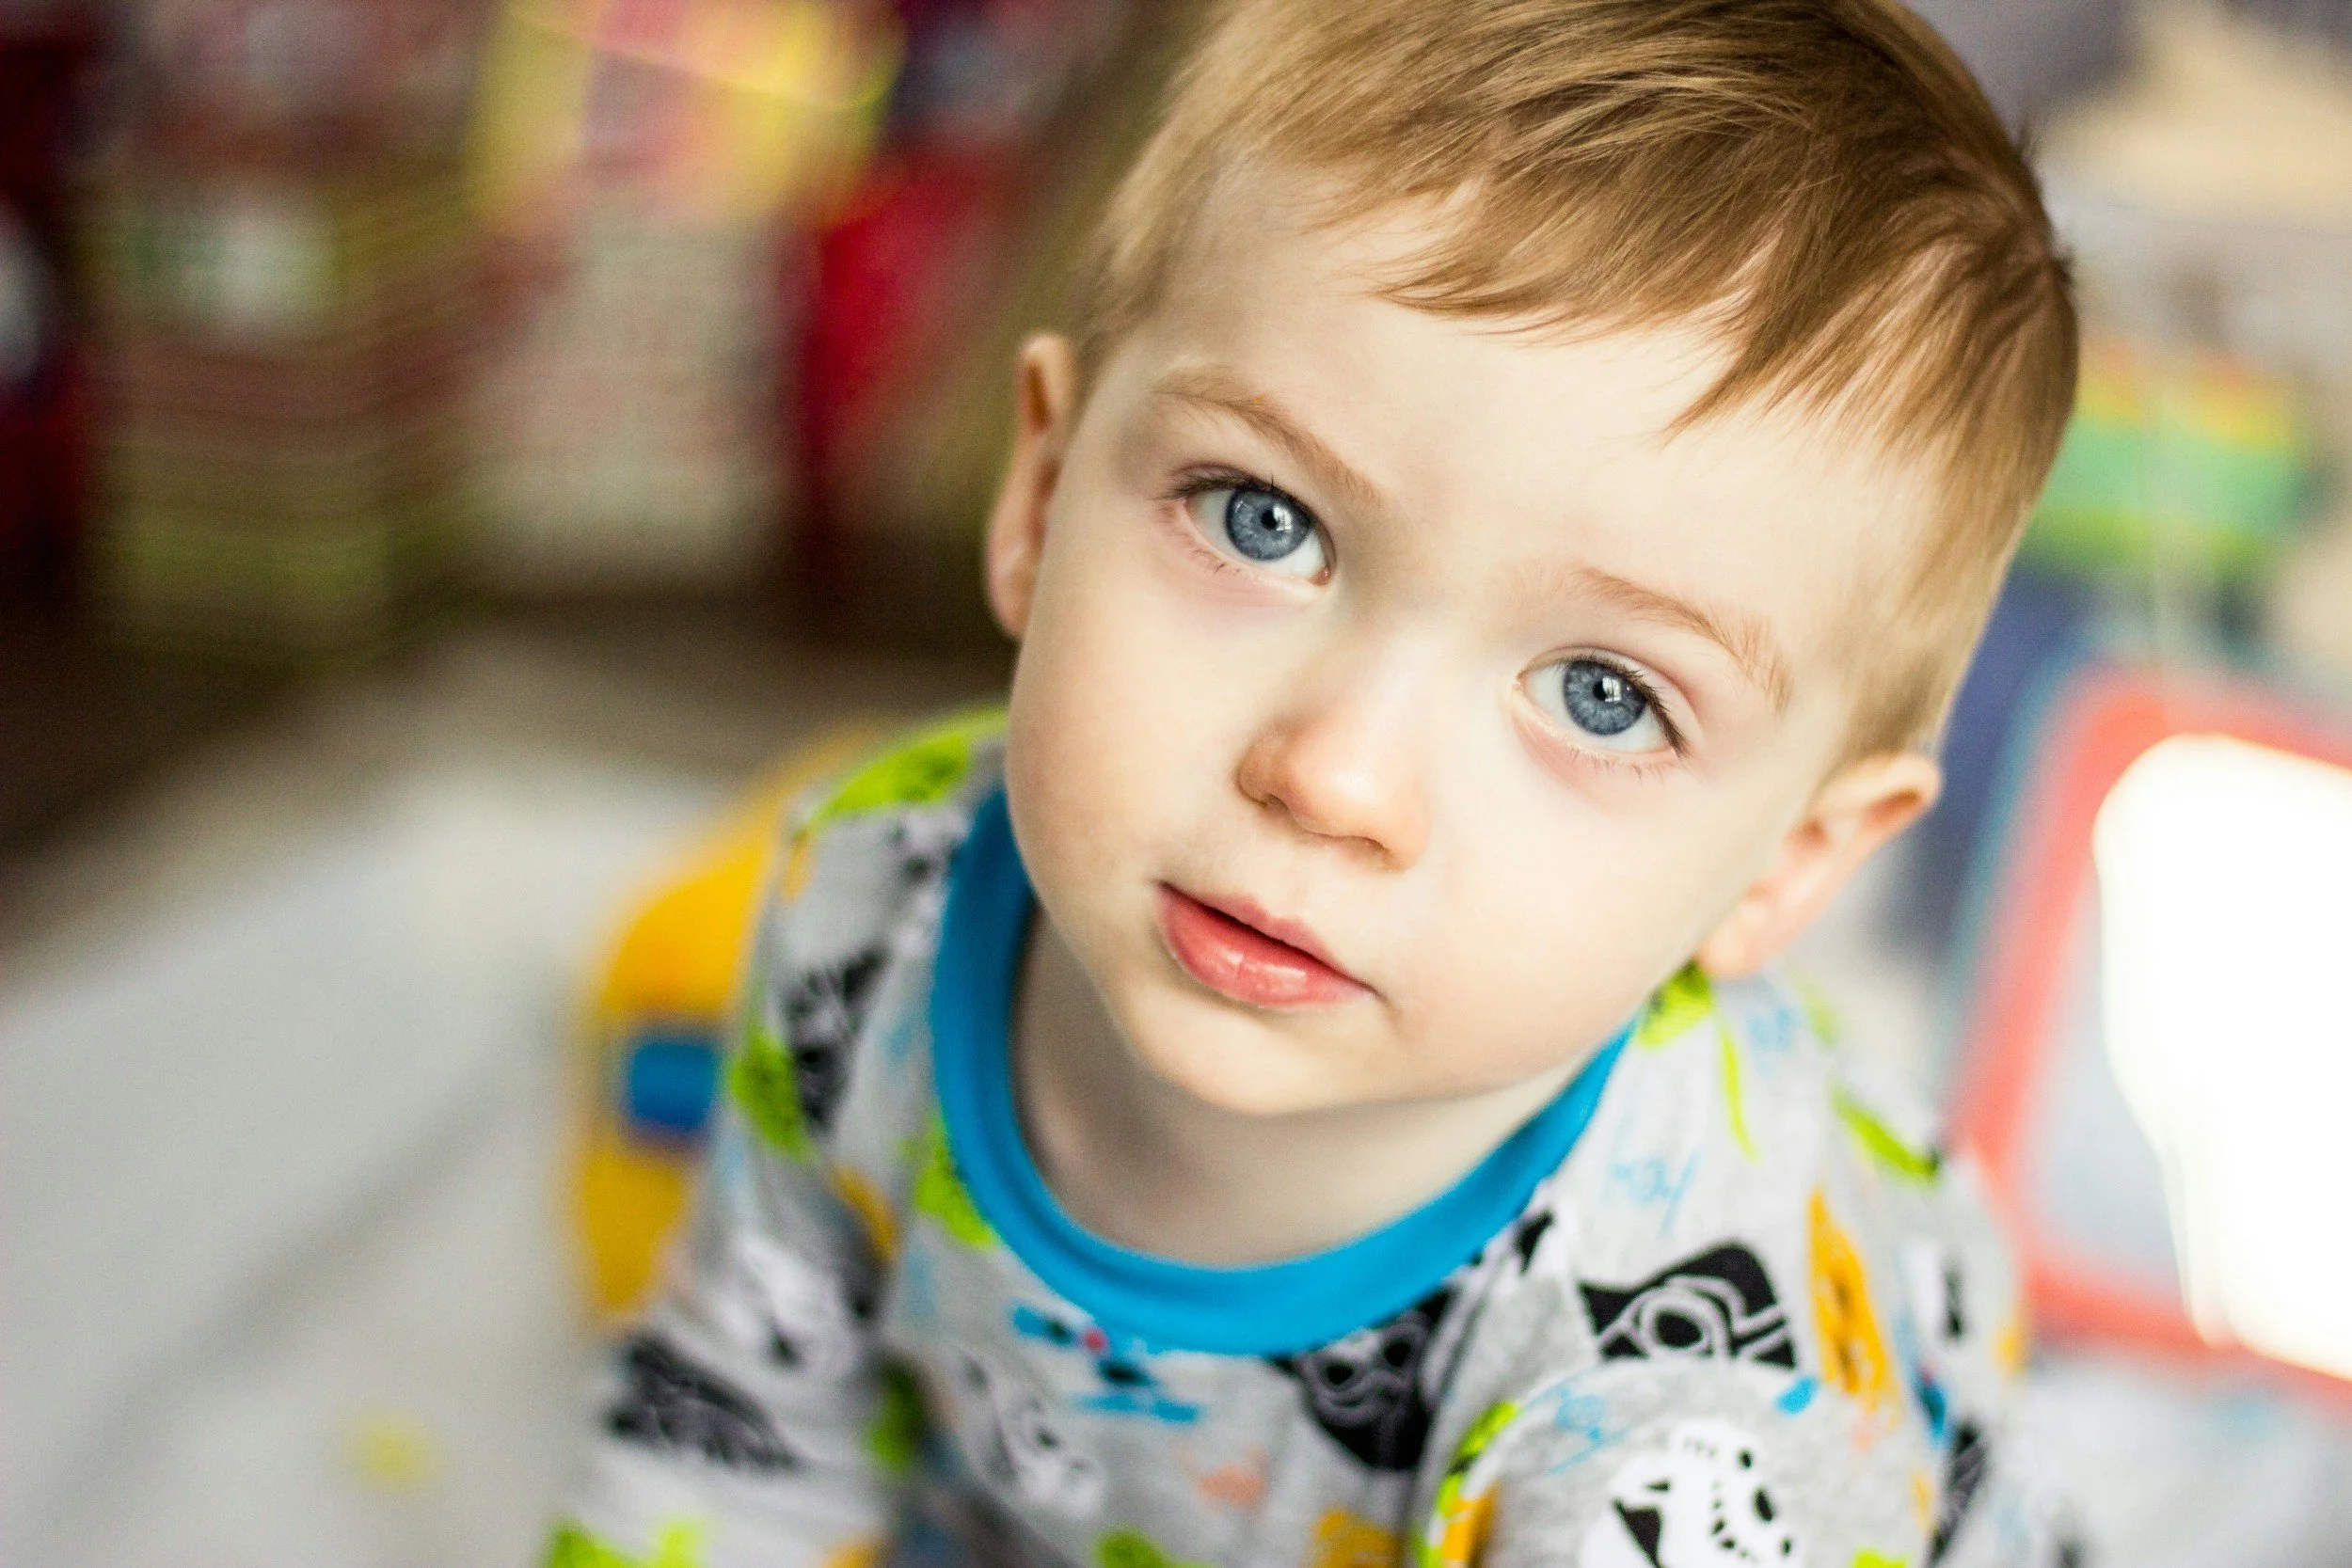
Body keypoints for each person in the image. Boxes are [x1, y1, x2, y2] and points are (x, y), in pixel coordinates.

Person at [546, 1, 2083, 1563]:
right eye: (1262, 521)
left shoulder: (1701, 1379)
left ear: (1789, 862)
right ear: (1041, 490)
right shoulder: (866, 901)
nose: (1336, 777)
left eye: (1605, 696)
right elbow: (734, 1430)